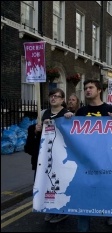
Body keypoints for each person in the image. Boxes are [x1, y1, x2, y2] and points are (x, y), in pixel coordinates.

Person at [64, 79, 112, 231]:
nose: (88, 90)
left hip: (105, 158)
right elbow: (73, 133)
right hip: (85, 159)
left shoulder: (109, 109)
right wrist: (68, 118)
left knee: (106, 187)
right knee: (84, 189)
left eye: (91, 87)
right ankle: (83, 224)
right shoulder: (81, 112)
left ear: (99, 90)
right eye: (86, 88)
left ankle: (110, 212)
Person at [25, 88, 69, 224]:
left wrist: (70, 118)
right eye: (51, 96)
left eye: (57, 96)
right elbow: (34, 134)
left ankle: (60, 210)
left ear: (62, 100)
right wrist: (35, 129)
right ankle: (49, 208)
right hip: (43, 156)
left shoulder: (66, 114)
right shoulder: (43, 113)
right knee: (43, 183)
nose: (53, 98)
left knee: (58, 184)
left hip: (60, 157)